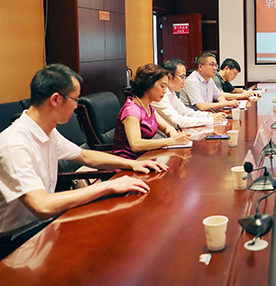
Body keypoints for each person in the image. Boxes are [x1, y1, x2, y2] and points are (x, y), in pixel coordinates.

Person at [0, 64, 168, 259]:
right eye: (75, 99)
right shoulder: (14, 144)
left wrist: (132, 164)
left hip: (45, 224)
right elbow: (42, 206)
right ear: (56, 99)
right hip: (18, 239)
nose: (76, 106)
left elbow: (85, 156)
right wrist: (108, 186)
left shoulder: (47, 131)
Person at [112, 64, 191, 160]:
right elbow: (136, 145)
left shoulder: (148, 106)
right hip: (130, 162)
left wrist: (174, 135)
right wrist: (172, 141)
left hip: (146, 157)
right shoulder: (131, 110)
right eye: (162, 86)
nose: (165, 91)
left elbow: (167, 127)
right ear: (148, 84)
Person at [152, 58, 227, 129]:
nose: (184, 81)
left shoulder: (171, 93)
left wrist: (209, 115)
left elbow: (185, 112)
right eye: (182, 77)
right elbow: (178, 122)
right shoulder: (159, 95)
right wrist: (210, 120)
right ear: (169, 77)